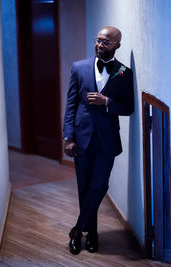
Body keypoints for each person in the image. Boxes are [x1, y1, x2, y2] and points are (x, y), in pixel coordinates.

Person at [63, 26, 134, 255]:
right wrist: (68, 136)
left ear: (117, 45)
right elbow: (71, 104)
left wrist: (106, 102)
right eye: (99, 40)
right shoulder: (79, 67)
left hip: (107, 140)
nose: (100, 45)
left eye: (106, 42)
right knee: (84, 188)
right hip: (81, 138)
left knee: (99, 185)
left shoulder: (124, 72)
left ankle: (76, 230)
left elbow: (129, 107)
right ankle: (91, 234)